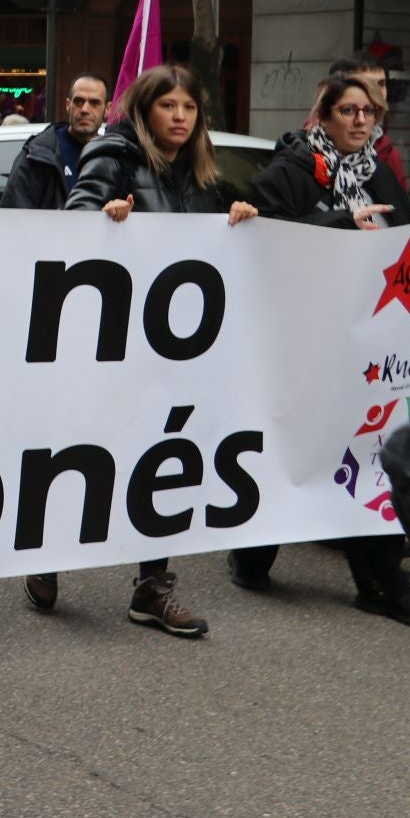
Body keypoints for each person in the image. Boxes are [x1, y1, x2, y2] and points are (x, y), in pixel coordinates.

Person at [236, 73, 410, 626]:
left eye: (368, 112)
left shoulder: (378, 173)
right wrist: (336, 221)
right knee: (296, 453)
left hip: (366, 346)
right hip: (305, 342)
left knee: (366, 457)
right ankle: (251, 553)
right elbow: (266, 236)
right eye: (348, 111)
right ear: (322, 117)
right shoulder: (293, 170)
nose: (359, 120)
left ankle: (381, 582)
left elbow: (406, 240)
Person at [53, 64, 256, 637]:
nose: (180, 118)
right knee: (92, 453)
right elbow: (75, 217)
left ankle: (152, 586)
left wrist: (237, 220)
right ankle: (46, 555)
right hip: (111, 339)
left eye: (189, 109)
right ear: (145, 109)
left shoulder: (202, 172)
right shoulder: (114, 152)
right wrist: (106, 217)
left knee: (165, 457)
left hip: (172, 347)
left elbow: (211, 249)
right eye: (169, 106)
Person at [0, 74, 108, 212]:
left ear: (108, 108)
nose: (85, 109)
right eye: (79, 101)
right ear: (68, 105)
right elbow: (12, 217)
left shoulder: (116, 157)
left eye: (94, 103)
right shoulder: (36, 155)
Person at [310, 53, 407, 189]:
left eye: (381, 84)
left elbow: (400, 207)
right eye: (367, 84)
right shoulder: (304, 154)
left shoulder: (388, 153)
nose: (377, 92)